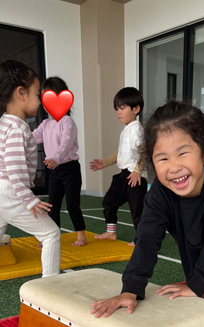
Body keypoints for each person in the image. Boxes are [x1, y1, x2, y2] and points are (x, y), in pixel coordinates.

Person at [91, 100, 204, 319]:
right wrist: (131, 288)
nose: (174, 167)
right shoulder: (159, 193)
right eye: (162, 158)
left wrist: (197, 286)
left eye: (183, 153)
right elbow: (146, 239)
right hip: (192, 245)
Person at [0, 60, 60, 278]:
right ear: (21, 93)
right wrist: (29, 199)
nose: (41, 102)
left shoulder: (4, 123)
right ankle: (50, 286)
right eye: (37, 95)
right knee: (51, 234)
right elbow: (14, 169)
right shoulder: (18, 128)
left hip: (2, 191)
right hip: (11, 191)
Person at [33, 76, 87, 246]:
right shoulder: (46, 123)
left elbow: (66, 144)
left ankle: (81, 236)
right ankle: (53, 237)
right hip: (53, 171)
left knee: (72, 205)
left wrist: (56, 158)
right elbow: (33, 137)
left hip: (69, 169)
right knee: (53, 206)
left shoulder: (67, 122)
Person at [90, 87, 147, 246]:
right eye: (117, 109)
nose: (118, 113)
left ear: (136, 109)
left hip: (135, 177)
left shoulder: (136, 129)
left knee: (137, 212)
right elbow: (121, 153)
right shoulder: (126, 130)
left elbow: (144, 151)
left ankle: (140, 239)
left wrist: (137, 171)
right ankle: (111, 231)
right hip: (123, 176)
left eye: (122, 108)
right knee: (109, 202)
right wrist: (105, 162)